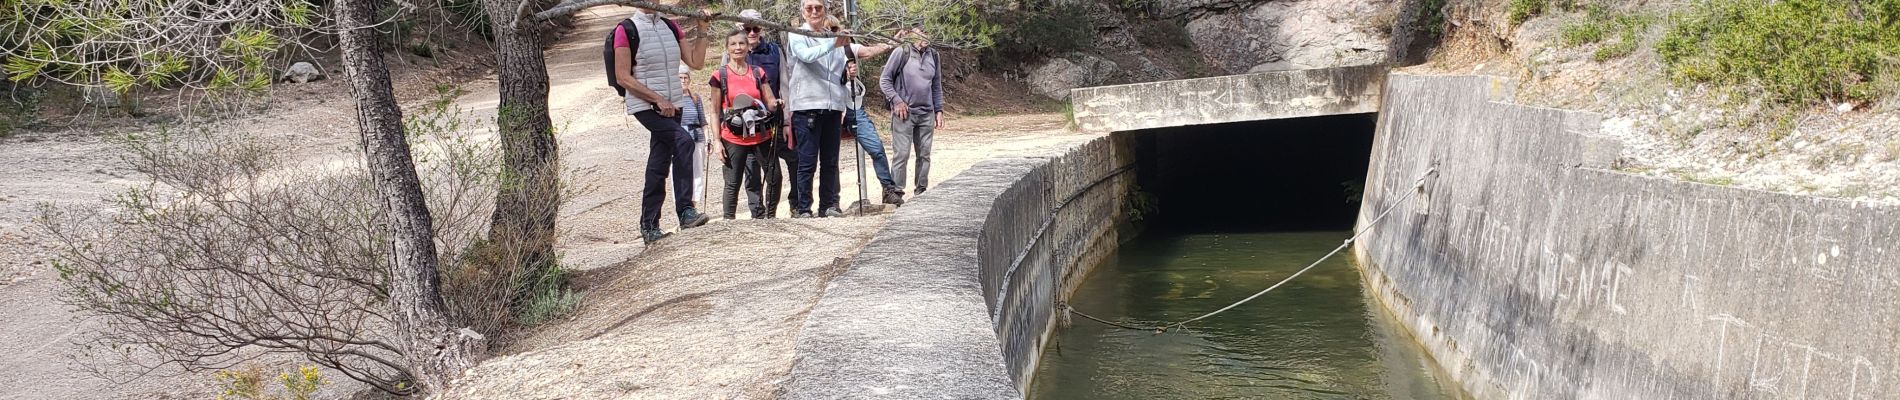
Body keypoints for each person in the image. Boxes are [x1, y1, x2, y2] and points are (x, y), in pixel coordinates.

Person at [612, 5, 711, 243]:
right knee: (684, 141)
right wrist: (657, 99)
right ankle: (686, 211)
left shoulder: (670, 25)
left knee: (659, 162)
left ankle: (649, 225)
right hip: (646, 106)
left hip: (674, 105)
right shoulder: (626, 29)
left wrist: (703, 30)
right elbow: (622, 76)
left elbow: (696, 62)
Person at [784, 0, 851, 218]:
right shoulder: (797, 33)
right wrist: (834, 43)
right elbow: (806, 56)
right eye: (810, 8)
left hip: (832, 105)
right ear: (803, 12)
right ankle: (804, 208)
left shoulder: (831, 36)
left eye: (819, 8)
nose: (814, 11)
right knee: (807, 160)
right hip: (807, 105)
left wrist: (849, 71)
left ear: (825, 11)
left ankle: (828, 205)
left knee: (830, 160)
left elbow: (839, 64)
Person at [710, 29, 782, 220]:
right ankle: (728, 222)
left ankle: (770, 217)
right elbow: (715, 111)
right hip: (733, 136)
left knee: (774, 177)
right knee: (732, 182)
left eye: (741, 44)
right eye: (733, 44)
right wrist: (716, 141)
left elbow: (770, 100)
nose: (738, 48)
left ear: (748, 47)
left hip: (760, 134)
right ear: (727, 48)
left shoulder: (758, 73)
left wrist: (777, 104)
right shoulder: (720, 75)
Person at [733, 8, 795, 218]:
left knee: (783, 164)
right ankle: (757, 213)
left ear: (761, 28)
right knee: (751, 170)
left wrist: (786, 121)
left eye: (755, 28)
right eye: (746, 28)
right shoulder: (732, 51)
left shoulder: (774, 50)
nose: (751, 33)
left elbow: (785, 85)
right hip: (745, 122)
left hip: (772, 119)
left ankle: (782, 208)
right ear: (739, 28)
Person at [879, 26, 944, 202]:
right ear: (910, 33)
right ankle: (896, 193)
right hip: (904, 113)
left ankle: (921, 191)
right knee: (902, 153)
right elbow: (884, 80)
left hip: (926, 113)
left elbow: (936, 85)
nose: (925, 35)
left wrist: (938, 110)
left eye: (928, 32)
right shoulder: (902, 52)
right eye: (921, 32)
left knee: (924, 154)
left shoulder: (934, 56)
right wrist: (897, 100)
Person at [842, 56, 903, 206]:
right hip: (829, 107)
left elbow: (868, 51)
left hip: (854, 108)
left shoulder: (848, 49)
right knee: (826, 158)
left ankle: (888, 190)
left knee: (876, 148)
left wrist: (892, 41)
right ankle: (828, 203)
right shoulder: (823, 47)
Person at [679, 65, 709, 208]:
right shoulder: (672, 99)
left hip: (697, 139)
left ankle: (694, 205)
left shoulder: (695, 98)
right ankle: (682, 206)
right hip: (680, 141)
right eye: (680, 78)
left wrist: (708, 139)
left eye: (685, 78)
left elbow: (703, 121)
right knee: (681, 173)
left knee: (697, 172)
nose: (683, 80)